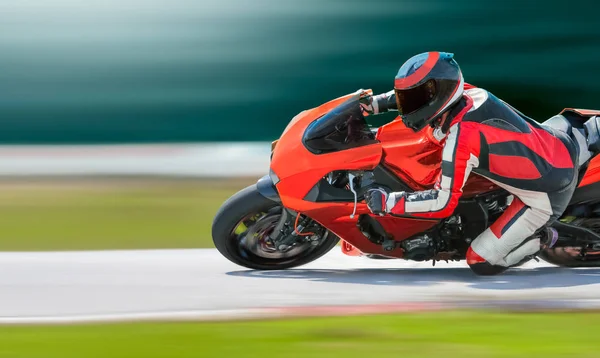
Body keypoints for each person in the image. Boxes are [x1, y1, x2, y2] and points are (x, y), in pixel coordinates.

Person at [360, 51, 579, 275]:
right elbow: (412, 99)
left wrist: (388, 202)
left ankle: (544, 237)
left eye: (414, 99)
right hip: (554, 140)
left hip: (547, 192)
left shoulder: (463, 136)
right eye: (407, 98)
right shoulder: (465, 94)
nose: (408, 105)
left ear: (442, 92)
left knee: (480, 261)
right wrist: (373, 104)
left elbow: (441, 201)